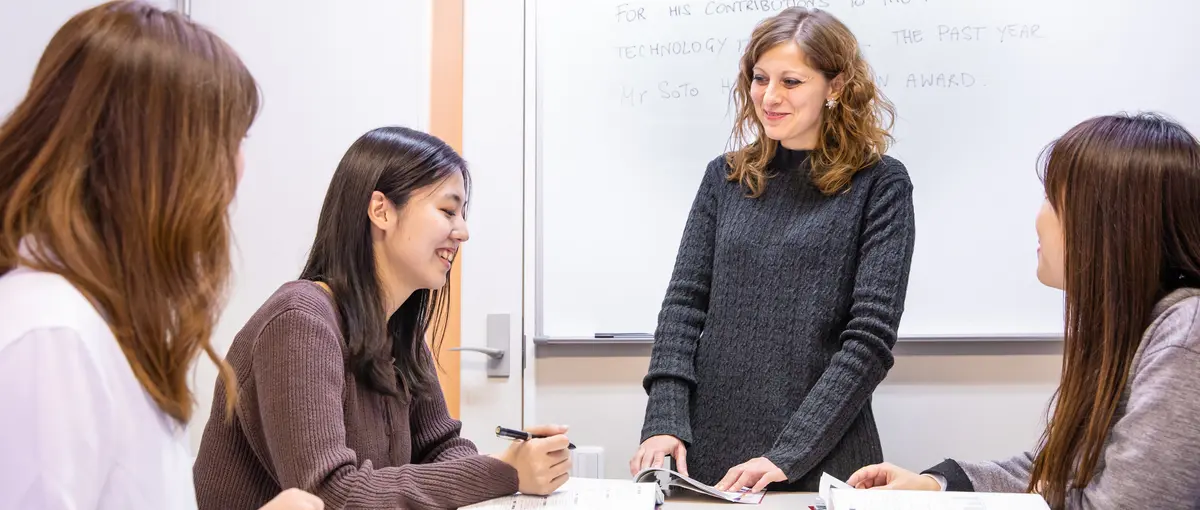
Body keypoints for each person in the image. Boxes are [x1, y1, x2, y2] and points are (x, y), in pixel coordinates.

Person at [0, 2, 321, 509]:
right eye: (231, 140)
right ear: (161, 158)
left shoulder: (102, 326)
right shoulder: (52, 336)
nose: (239, 170)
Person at [192, 126, 572, 510]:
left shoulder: (400, 332)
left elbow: (439, 447)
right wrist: (503, 471)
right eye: (447, 211)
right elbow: (331, 494)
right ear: (381, 210)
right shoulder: (299, 320)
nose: (463, 232)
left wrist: (510, 464)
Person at [848, 112, 1200, 509]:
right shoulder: (1133, 329)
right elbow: (1054, 471)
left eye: (1053, 199)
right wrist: (935, 485)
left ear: (1111, 222)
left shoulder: (1185, 335)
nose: (1039, 218)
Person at [629, 6, 915, 493]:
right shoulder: (725, 177)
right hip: (710, 458)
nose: (770, 96)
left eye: (792, 81)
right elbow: (683, 306)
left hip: (823, 461)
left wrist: (787, 454)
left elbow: (869, 340)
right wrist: (664, 418)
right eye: (760, 79)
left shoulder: (880, 184)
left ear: (836, 86)